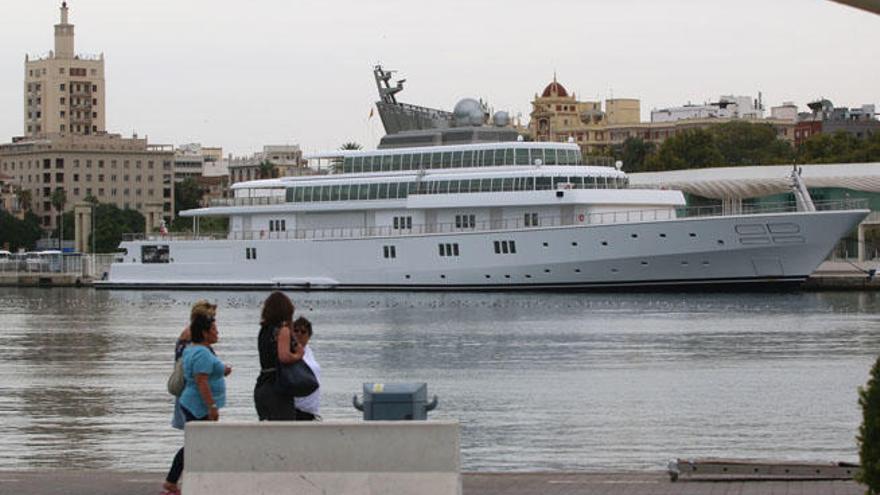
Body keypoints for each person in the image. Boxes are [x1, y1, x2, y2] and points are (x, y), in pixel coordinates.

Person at [162, 312, 231, 495]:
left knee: (196, 443)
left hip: (192, 402)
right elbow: (201, 381)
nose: (217, 333)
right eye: (214, 330)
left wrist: (223, 370)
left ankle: (181, 480)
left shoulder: (194, 349)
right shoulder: (201, 352)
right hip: (198, 405)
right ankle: (172, 481)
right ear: (205, 332)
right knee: (195, 444)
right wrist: (212, 407)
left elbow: (206, 371)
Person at [254, 291, 304, 421]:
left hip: (262, 384)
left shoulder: (264, 330)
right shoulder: (283, 330)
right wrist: (298, 355)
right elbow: (284, 357)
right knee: (285, 430)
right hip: (277, 386)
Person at [171, 300, 217, 431]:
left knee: (195, 437)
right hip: (194, 394)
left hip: (190, 391)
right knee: (198, 437)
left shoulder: (187, 335)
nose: (214, 322)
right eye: (212, 318)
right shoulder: (194, 337)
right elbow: (200, 371)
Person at [292, 317, 321, 421]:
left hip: (310, 410)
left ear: (309, 336)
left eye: (303, 331)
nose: (299, 334)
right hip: (296, 409)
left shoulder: (309, 352)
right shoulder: (289, 352)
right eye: (295, 330)